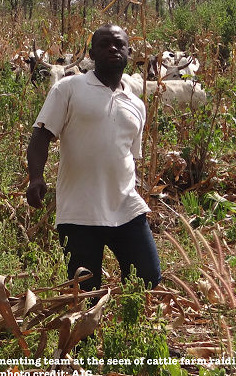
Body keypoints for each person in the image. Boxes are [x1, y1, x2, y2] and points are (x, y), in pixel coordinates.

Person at [25, 24, 161, 292]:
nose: (112, 48)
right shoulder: (69, 88)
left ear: (129, 52)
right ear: (91, 53)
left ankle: (124, 329)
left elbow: (130, 158)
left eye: (119, 44)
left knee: (147, 276)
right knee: (85, 294)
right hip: (80, 212)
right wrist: (36, 177)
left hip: (125, 207)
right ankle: (90, 331)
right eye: (104, 44)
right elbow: (41, 137)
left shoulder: (137, 105)